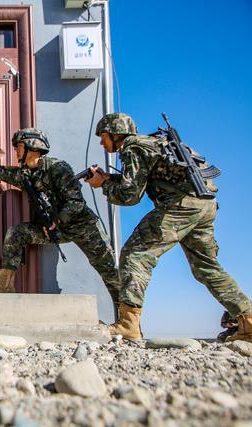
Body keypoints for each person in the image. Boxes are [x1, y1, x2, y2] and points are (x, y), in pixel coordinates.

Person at [87, 112, 252, 342]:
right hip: (205, 205)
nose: (101, 142)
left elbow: (129, 195)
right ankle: (248, 321)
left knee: (136, 254)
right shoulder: (152, 143)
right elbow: (139, 183)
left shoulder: (133, 147)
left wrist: (102, 184)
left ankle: (128, 324)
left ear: (116, 134)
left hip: (181, 205)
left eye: (103, 136)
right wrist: (108, 180)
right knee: (206, 267)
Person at [0, 128, 120, 307]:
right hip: (55, 230)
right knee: (16, 233)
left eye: (19, 146)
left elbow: (76, 203)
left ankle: (128, 320)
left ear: (33, 147)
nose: (16, 151)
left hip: (84, 228)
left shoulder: (58, 168)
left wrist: (55, 221)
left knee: (110, 272)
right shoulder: (24, 175)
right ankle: (5, 286)